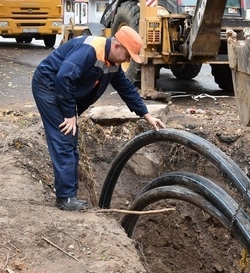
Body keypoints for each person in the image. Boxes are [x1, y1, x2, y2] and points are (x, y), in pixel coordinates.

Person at [31, 25, 165, 211]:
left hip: (63, 91)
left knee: (70, 140)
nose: (127, 60)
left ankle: (71, 194)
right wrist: (70, 114)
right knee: (64, 138)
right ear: (117, 46)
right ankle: (65, 199)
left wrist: (147, 115)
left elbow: (126, 89)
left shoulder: (112, 63)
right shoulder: (90, 50)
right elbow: (64, 78)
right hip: (49, 87)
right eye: (127, 54)